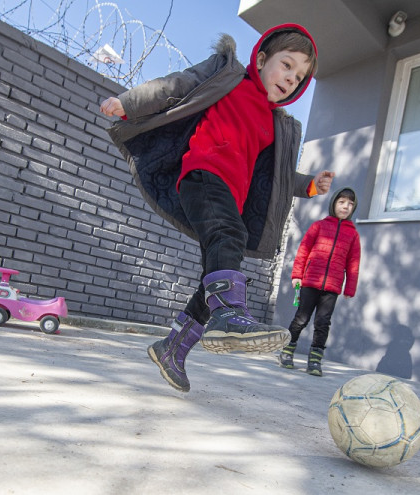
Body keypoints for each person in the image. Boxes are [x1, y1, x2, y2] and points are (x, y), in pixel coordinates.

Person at [100, 24, 334, 393]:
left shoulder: (276, 126)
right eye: (286, 65)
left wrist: (308, 184)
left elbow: (277, 175)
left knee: (220, 268)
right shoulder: (228, 76)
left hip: (230, 199)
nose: (290, 79)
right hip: (203, 175)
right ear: (260, 58)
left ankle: (173, 348)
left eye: (299, 76)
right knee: (228, 239)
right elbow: (175, 85)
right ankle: (230, 316)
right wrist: (130, 103)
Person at [279, 187, 361, 376]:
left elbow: (353, 263)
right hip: (310, 282)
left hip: (332, 287)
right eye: (342, 202)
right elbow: (303, 251)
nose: (345, 206)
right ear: (334, 203)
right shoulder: (319, 226)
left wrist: (350, 288)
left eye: (350, 204)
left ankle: (315, 360)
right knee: (301, 318)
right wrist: (297, 275)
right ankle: (287, 351)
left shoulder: (353, 235)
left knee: (323, 322)